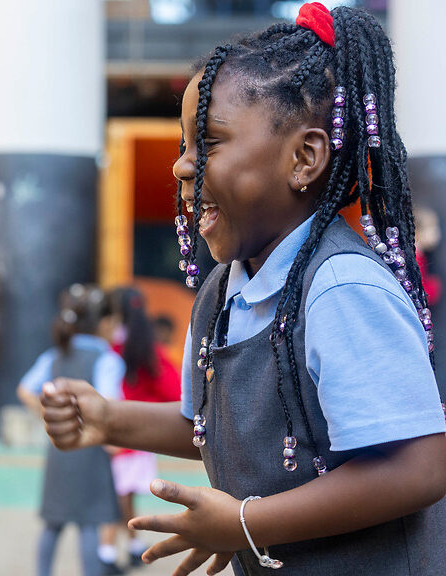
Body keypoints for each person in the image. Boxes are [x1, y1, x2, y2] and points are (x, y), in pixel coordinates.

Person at [40, 5, 446, 575]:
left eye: (208, 142)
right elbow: (214, 426)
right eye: (185, 147)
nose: (183, 167)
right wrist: (109, 420)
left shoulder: (339, 287)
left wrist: (244, 523)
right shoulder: (220, 294)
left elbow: (419, 467)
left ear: (304, 158)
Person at [17, 284, 124, 576]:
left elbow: (25, 390)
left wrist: (52, 417)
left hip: (59, 448)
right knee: (89, 522)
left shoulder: (55, 355)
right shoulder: (107, 359)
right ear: (103, 324)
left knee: (53, 521)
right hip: (91, 449)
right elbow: (108, 405)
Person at [99, 287, 182, 575]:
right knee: (125, 495)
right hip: (141, 431)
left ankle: (107, 552)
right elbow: (172, 388)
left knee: (116, 496)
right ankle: (132, 546)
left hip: (117, 430)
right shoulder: (147, 346)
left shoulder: (112, 349)